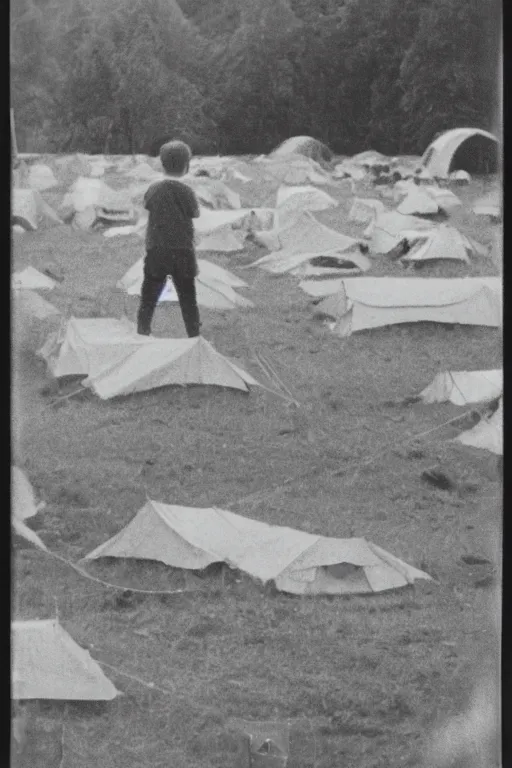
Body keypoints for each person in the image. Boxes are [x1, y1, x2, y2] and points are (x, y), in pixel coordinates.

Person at [137, 140, 201, 337]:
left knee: (149, 295)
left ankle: (142, 330)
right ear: (186, 166)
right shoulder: (187, 192)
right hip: (183, 251)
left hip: (157, 249)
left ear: (162, 164)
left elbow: (146, 205)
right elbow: (195, 213)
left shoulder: (154, 189)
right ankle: (193, 334)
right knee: (188, 297)